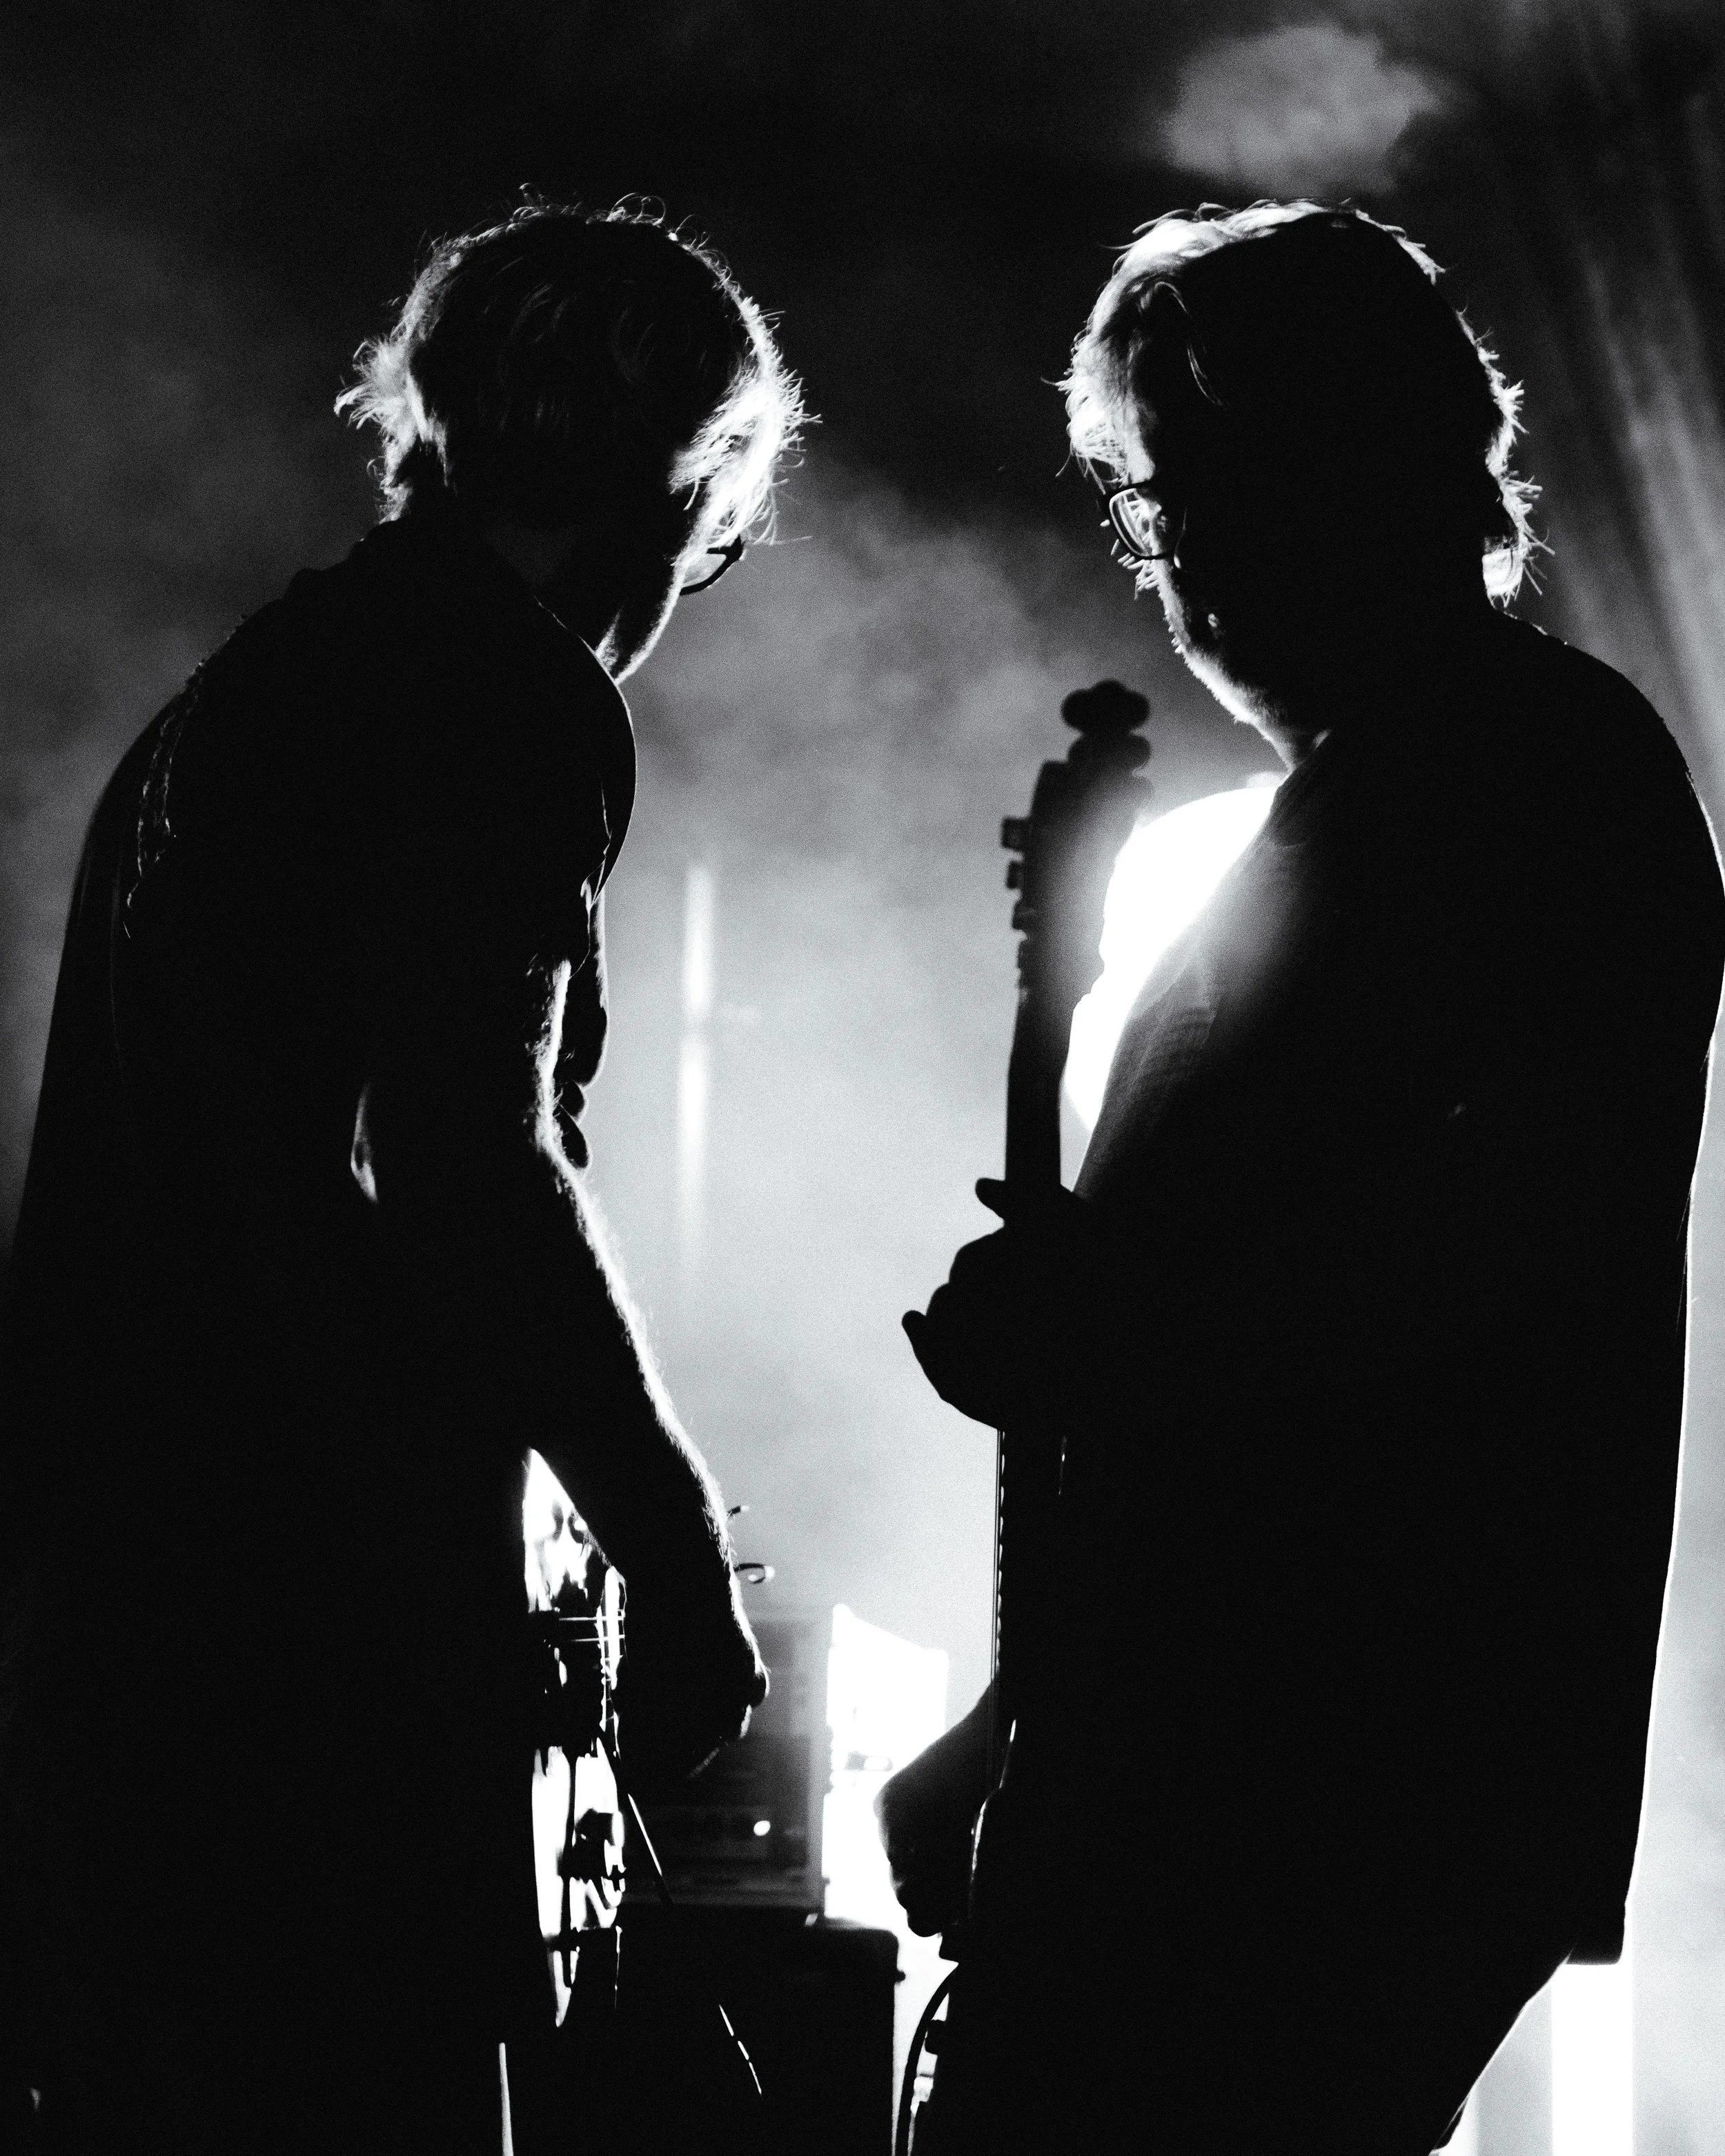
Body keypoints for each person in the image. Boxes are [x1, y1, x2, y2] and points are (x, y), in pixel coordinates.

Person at [884, 203, 1725, 2153]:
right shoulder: (1357, 805)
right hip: (1235, 1772)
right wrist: (1017, 1719)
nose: (1179, 563)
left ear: (1375, 465)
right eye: (1155, 509)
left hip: (1331, 1783)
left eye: (1213, 489)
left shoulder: (1528, 776)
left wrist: (1104, 1329)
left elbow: (1468, 1296)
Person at [0, 199, 802, 2154]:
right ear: (695, 488)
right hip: (313, 1628)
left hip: (114, 1605)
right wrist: (673, 1543)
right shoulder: (503, 688)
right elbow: (470, 1157)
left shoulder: (241, 698)